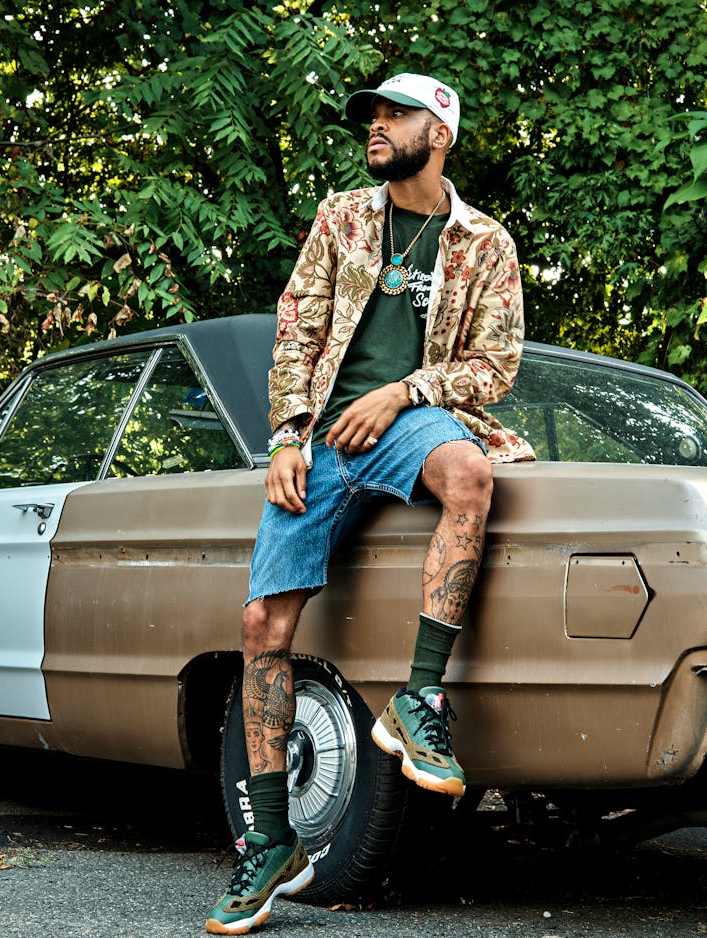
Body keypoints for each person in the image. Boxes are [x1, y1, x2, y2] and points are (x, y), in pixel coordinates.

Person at [205, 72, 534, 935]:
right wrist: (284, 434)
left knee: (471, 476)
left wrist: (402, 393)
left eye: (396, 115)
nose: (377, 127)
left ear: (443, 132)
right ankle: (271, 840)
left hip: (407, 423)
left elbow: (493, 368)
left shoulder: (484, 244)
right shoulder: (340, 216)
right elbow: (297, 326)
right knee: (261, 630)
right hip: (318, 442)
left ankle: (419, 702)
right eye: (373, 117)